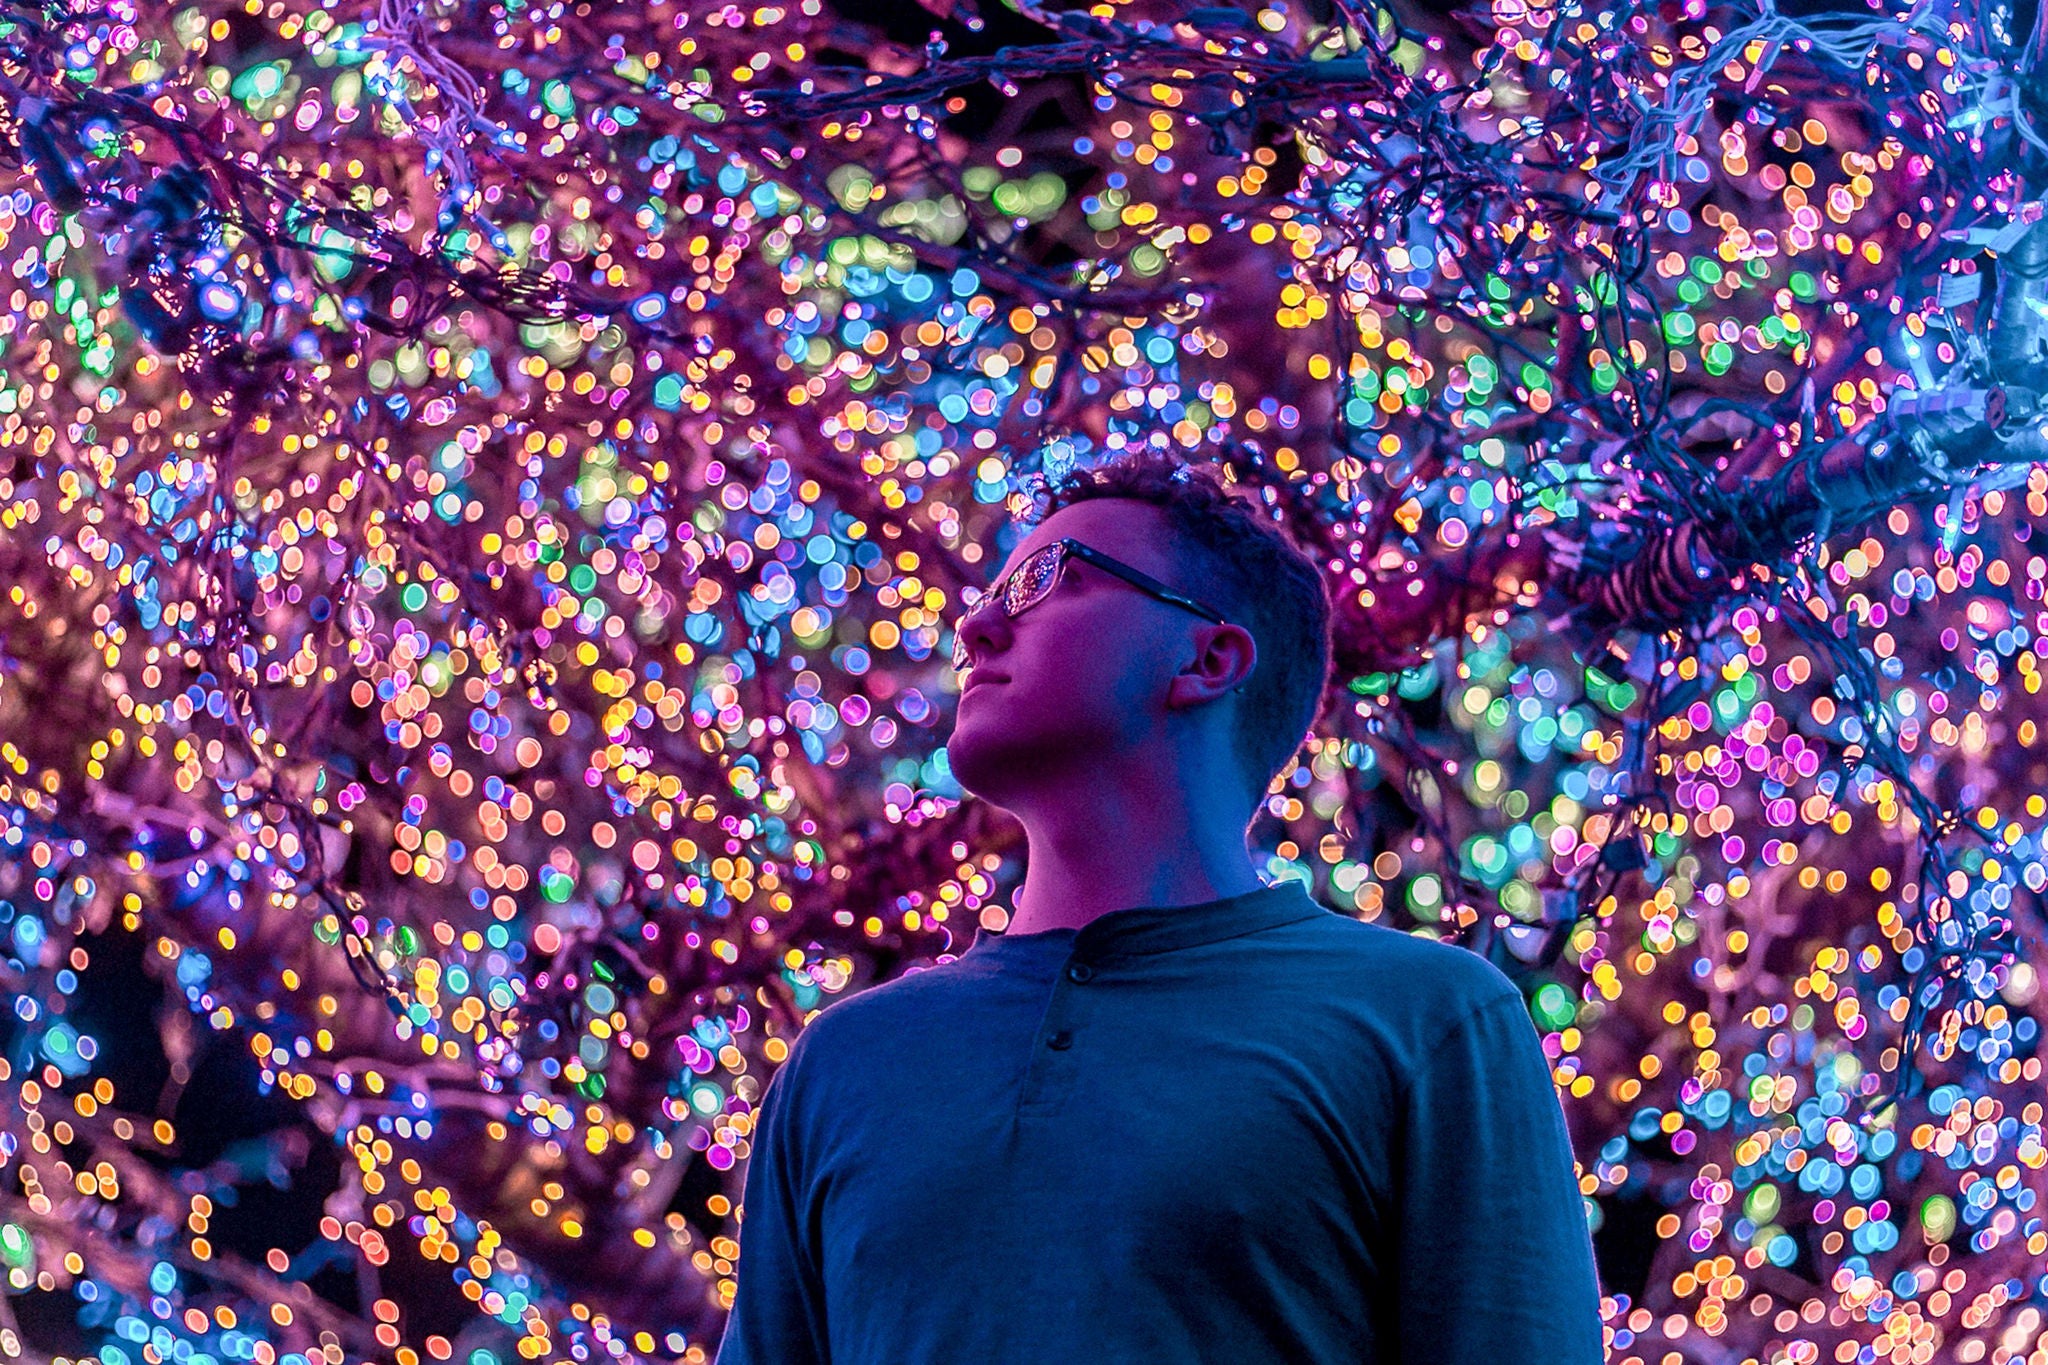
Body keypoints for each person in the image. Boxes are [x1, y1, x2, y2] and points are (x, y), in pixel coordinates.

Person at [714, 449, 1606, 1363]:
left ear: (1208, 657)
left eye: (1045, 579)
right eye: (991, 592)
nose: (977, 624)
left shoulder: (1428, 1022)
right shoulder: (841, 1062)